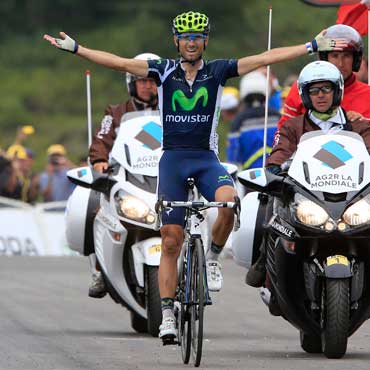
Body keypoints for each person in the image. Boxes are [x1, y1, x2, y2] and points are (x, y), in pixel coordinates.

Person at [43, 10, 348, 342]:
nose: (191, 43)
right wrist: (78, 49)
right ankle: (168, 314)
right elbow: (117, 63)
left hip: (206, 160)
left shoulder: (218, 72)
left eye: (197, 37)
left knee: (230, 204)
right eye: (185, 37)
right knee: (170, 241)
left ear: (205, 40)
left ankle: (213, 257)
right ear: (176, 41)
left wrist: (310, 46)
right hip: (172, 161)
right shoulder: (162, 71)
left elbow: (264, 57)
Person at [246, 60, 370, 288]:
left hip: (350, 197)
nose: (320, 95)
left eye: (326, 88)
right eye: (314, 90)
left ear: (337, 91)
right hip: (307, 196)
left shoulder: (358, 126)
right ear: (305, 94)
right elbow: (280, 152)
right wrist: (273, 170)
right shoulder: (292, 127)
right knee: (271, 203)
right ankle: (264, 263)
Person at [87, 52, 159, 299]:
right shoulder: (116, 113)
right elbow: (101, 140)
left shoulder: (173, 113)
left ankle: (203, 264)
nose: (148, 85)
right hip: (127, 179)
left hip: (164, 178)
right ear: (131, 83)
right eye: (142, 80)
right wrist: (99, 161)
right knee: (95, 210)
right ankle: (99, 269)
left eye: (152, 80)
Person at [277, 24, 370, 131]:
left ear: (355, 60)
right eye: (335, 56)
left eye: (346, 56)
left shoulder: (368, 95)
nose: (340, 63)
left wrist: (363, 126)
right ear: (324, 58)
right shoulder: (300, 89)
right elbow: (283, 134)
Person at [227, 71, 280, 169]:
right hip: (275, 173)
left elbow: (233, 152)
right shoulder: (276, 116)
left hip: (249, 177)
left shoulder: (239, 120)